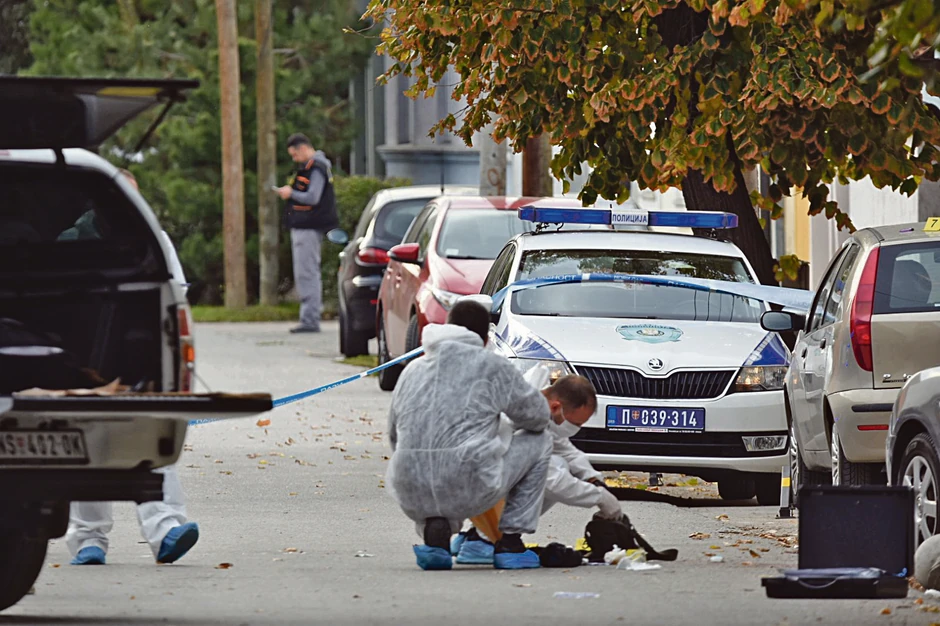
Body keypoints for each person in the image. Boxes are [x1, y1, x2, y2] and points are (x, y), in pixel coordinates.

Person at [67, 168, 199, 566]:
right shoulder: (73, 239)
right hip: (82, 358)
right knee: (87, 442)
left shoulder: (153, 239)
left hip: (138, 355)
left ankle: (166, 530)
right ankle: (89, 540)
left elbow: (176, 293)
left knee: (151, 438)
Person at [387, 300, 554, 571]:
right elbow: (537, 417)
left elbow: (394, 436)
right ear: (486, 338)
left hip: (408, 488)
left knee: (444, 456)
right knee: (541, 440)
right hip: (471, 485)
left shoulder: (412, 369)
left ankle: (437, 530)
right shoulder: (492, 365)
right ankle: (510, 542)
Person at [451, 370, 623, 565]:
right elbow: (552, 481)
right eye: (575, 423)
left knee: (559, 462)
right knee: (553, 467)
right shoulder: (520, 417)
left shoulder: (537, 404)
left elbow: (565, 448)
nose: (575, 428)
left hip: (462, 483)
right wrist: (599, 497)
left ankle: (475, 535)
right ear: (556, 406)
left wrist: (592, 478)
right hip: (470, 484)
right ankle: (488, 541)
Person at [276, 134, 339, 334]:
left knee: (307, 272)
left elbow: (312, 197)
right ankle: (309, 317)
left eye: (295, 154)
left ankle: (310, 319)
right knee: (306, 271)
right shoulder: (314, 167)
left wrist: (290, 193)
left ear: (303, 148)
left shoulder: (316, 169)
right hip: (305, 227)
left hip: (308, 227)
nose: (294, 159)